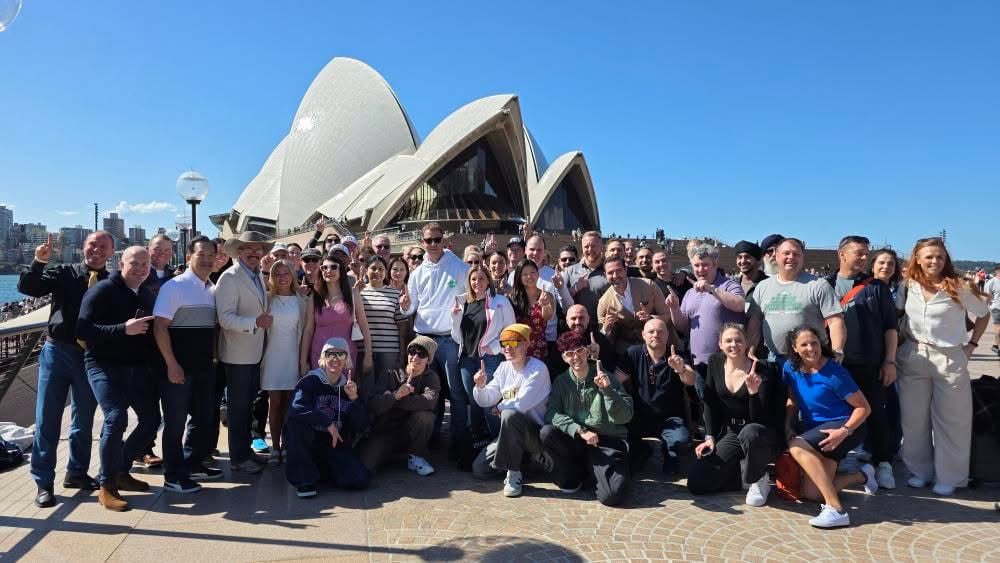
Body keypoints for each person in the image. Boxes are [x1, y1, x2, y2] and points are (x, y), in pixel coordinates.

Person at [19, 231, 113, 507]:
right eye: (92, 244)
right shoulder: (63, 273)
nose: (96, 250)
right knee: (47, 418)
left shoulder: (111, 283)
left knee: (83, 420)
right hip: (57, 352)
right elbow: (29, 288)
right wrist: (38, 262)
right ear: (83, 247)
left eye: (103, 246)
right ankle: (43, 482)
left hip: (90, 357)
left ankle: (77, 472)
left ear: (111, 252)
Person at [897, 238, 989, 496]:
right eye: (929, 257)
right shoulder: (909, 285)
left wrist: (972, 344)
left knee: (952, 420)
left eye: (939, 257)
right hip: (913, 353)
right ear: (917, 259)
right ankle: (920, 470)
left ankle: (950, 475)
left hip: (948, 356)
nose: (934, 261)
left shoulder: (958, 287)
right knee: (914, 419)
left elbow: (984, 314)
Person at [76, 246, 159, 511]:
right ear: (120, 263)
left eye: (145, 264)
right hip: (102, 364)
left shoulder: (145, 293)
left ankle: (121, 470)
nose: (140, 268)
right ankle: (106, 485)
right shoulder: (102, 290)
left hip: (135, 367)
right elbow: (82, 329)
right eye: (134, 263)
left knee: (151, 420)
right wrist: (124, 328)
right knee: (116, 418)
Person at [783, 326, 877, 528]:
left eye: (814, 343)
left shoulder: (835, 372)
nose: (811, 348)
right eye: (804, 344)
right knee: (812, 493)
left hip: (847, 426)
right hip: (817, 432)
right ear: (795, 348)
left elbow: (864, 408)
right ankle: (862, 475)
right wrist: (788, 425)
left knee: (796, 447)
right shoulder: (790, 368)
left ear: (821, 343)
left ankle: (836, 510)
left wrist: (844, 432)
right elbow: (792, 399)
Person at [825, 235, 899, 489]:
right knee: (838, 413)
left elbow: (891, 327)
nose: (864, 258)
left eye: (867, 254)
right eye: (859, 253)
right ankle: (841, 457)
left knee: (876, 412)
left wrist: (890, 361)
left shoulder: (876, 287)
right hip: (834, 365)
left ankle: (883, 462)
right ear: (842, 254)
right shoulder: (826, 285)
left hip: (868, 362)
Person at [153, 236, 223, 493]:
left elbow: (212, 328)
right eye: (200, 254)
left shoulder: (212, 289)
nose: (206, 260)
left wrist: (214, 358)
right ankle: (172, 474)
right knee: (175, 422)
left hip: (203, 367)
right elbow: (160, 327)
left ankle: (192, 464)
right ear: (188, 258)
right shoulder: (175, 287)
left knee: (202, 418)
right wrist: (171, 364)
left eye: (210, 255)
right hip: (178, 369)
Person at [686, 324, 781, 506]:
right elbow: (710, 402)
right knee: (697, 482)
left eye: (739, 340)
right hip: (733, 432)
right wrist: (710, 436)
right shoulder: (715, 362)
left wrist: (753, 394)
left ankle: (758, 477)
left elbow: (760, 419)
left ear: (746, 343)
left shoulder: (762, 370)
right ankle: (744, 474)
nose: (734, 345)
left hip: (760, 433)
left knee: (750, 432)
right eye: (728, 340)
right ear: (720, 344)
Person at [541, 330, 633, 506]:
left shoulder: (606, 378)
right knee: (547, 433)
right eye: (569, 354)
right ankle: (576, 475)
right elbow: (551, 413)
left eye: (580, 351)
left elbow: (625, 417)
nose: (576, 357)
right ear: (564, 358)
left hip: (606, 442)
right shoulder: (561, 382)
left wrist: (607, 391)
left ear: (587, 351)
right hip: (578, 440)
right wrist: (579, 430)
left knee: (612, 497)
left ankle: (599, 471)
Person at [401, 222, 469, 450]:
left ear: (444, 241)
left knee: (456, 392)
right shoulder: (417, 273)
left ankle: (459, 441)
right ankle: (432, 439)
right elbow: (412, 308)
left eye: (436, 240)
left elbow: (468, 297)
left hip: (449, 339)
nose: (432, 244)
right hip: (425, 339)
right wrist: (405, 306)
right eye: (428, 240)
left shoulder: (459, 267)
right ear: (422, 242)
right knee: (432, 392)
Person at [215, 231, 275, 474]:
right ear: (238, 252)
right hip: (237, 354)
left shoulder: (257, 276)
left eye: (258, 249)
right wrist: (254, 323)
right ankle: (238, 458)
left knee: (247, 406)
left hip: (254, 353)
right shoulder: (229, 278)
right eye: (248, 249)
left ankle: (245, 451)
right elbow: (225, 318)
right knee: (238, 409)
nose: (253, 253)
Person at [471, 324, 551, 497]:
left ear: (526, 344)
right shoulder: (503, 368)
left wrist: (499, 407)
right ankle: (521, 461)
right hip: (510, 435)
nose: (508, 348)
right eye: (504, 343)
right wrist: (480, 386)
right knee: (480, 469)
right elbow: (487, 399)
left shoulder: (538, 369)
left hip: (534, 434)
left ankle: (514, 473)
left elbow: (521, 403)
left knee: (510, 414)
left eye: (514, 342)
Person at [285, 337, 370, 498]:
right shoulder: (309, 382)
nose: (335, 359)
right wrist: (327, 422)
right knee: (297, 423)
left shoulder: (348, 388)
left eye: (341, 355)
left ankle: (319, 471)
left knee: (359, 480)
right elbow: (297, 408)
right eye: (331, 354)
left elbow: (362, 425)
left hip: (331, 444)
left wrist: (354, 399)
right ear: (323, 358)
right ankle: (304, 480)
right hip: (308, 441)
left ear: (347, 360)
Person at [747, 238, 845, 365]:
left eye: (796, 254)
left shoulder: (818, 285)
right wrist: (750, 349)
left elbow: (835, 320)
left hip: (810, 359)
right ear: (776, 256)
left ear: (802, 257)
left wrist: (837, 350)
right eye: (786, 253)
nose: (791, 257)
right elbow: (755, 321)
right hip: (774, 358)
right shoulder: (762, 286)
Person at [667, 243, 745, 396]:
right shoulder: (690, 293)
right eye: (696, 265)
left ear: (715, 264)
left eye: (705, 265)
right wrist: (674, 308)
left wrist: (712, 289)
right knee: (707, 409)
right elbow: (682, 327)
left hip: (728, 361)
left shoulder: (729, 285)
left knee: (729, 408)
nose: (700, 269)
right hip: (699, 364)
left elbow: (740, 305)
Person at [619, 318, 693, 474]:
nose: (655, 335)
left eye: (660, 331)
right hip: (639, 416)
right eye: (651, 331)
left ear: (667, 335)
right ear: (643, 335)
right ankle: (642, 450)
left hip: (670, 419)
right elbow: (616, 380)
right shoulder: (633, 353)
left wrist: (681, 370)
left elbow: (691, 380)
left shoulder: (677, 356)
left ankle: (670, 454)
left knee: (681, 443)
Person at [451, 265, 516, 440]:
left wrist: (494, 347)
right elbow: (457, 337)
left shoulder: (501, 301)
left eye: (481, 278)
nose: (477, 282)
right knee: (474, 400)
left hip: (490, 358)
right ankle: (478, 439)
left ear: (488, 281)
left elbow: (511, 331)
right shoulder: (463, 302)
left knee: (490, 402)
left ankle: (499, 440)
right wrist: (455, 318)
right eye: (473, 279)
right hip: (466, 359)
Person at [360, 336, 441, 476]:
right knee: (364, 468)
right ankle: (390, 454)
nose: (415, 357)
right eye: (412, 351)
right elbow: (374, 404)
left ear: (429, 359)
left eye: (421, 354)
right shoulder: (390, 372)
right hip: (386, 430)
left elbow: (429, 402)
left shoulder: (431, 377)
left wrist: (395, 400)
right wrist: (395, 395)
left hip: (410, 431)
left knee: (425, 417)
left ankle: (416, 456)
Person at [259, 259, 308, 465]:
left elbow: (306, 331)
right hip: (272, 357)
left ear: (292, 276)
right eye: (277, 274)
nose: (282, 278)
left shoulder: (301, 300)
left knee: (290, 403)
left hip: (293, 356)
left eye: (286, 273)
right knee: (275, 403)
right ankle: (275, 448)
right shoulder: (266, 299)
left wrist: (303, 360)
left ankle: (288, 444)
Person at [302, 254, 373, 380]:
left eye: (333, 267)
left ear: (341, 270)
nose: (328, 271)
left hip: (345, 356)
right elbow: (308, 330)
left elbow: (364, 325)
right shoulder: (315, 297)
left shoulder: (352, 294)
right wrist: (303, 361)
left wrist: (368, 355)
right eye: (324, 268)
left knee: (344, 393)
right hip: (320, 355)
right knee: (321, 394)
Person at [598, 257, 670, 357]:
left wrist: (651, 318)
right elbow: (602, 336)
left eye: (619, 270)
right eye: (610, 273)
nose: (615, 276)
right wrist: (607, 328)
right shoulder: (603, 302)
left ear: (626, 270)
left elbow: (666, 315)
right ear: (605, 275)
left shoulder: (648, 286)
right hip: (626, 353)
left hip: (658, 345)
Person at [361, 256, 405, 383]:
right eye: (373, 268)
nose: (377, 272)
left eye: (381, 269)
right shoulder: (358, 292)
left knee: (386, 389)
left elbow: (402, 327)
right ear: (365, 270)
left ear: (386, 272)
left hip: (389, 350)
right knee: (365, 388)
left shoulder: (395, 293)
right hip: (363, 350)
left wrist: (402, 354)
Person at [561, 231, 610, 330]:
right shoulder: (570, 271)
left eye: (593, 246)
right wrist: (575, 288)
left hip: (602, 328)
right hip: (576, 328)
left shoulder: (609, 271)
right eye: (586, 247)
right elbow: (561, 299)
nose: (590, 249)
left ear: (601, 247)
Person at [509, 260, 555, 362]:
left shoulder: (547, 295)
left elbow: (548, 317)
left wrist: (545, 305)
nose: (529, 277)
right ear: (519, 277)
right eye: (525, 274)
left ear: (538, 274)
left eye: (532, 273)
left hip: (539, 346)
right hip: (518, 346)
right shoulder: (512, 297)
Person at [564, 304, 617, 371]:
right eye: (573, 318)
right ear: (567, 321)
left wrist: (594, 358)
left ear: (588, 319)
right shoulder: (561, 341)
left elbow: (609, 368)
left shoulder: (599, 339)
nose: (577, 322)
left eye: (581, 318)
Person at [984, 264, 1000, 355]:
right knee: (998, 329)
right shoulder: (991, 282)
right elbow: (987, 296)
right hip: (996, 308)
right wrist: (985, 308)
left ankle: (995, 345)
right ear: (997, 271)